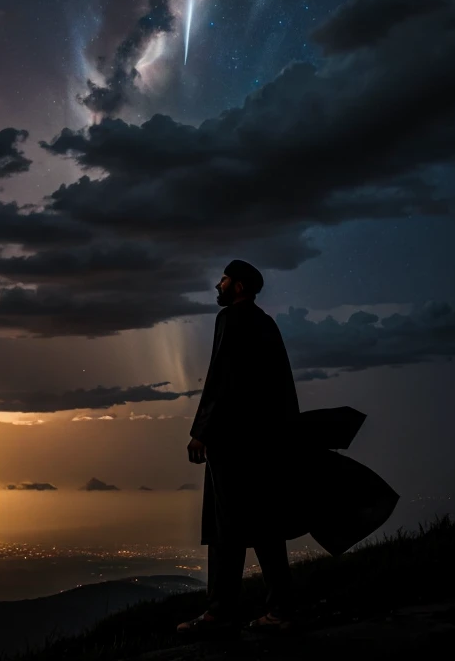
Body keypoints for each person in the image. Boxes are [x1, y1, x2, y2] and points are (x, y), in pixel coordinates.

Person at [176, 259, 300, 636]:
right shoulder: (266, 323)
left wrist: (203, 432)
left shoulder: (231, 319)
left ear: (240, 287)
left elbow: (221, 378)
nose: (219, 285)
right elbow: (281, 387)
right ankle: (278, 608)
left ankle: (221, 612)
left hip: (234, 444)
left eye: (225, 280)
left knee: (224, 527)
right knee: (264, 525)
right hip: (264, 444)